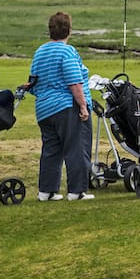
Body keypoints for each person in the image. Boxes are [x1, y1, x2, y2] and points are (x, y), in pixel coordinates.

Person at [28, 11, 94, 201]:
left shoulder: (40, 51)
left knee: (51, 150)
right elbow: (74, 82)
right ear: (69, 30)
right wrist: (83, 106)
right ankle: (76, 191)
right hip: (66, 107)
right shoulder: (67, 52)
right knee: (77, 148)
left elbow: (33, 82)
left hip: (44, 109)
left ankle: (46, 191)